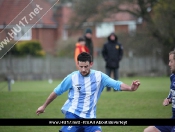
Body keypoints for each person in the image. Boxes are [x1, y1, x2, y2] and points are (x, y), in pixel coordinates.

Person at [36, 52, 140, 132]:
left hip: (90, 117)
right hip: (73, 114)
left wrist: (130, 88)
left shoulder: (99, 76)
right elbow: (57, 91)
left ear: (91, 64)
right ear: (77, 64)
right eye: (81, 66)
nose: (83, 69)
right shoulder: (72, 77)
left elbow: (116, 84)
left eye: (86, 66)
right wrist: (44, 106)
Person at [144, 50, 175, 132]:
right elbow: (171, 94)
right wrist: (169, 99)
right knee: (148, 131)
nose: (169, 64)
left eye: (171, 61)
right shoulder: (172, 77)